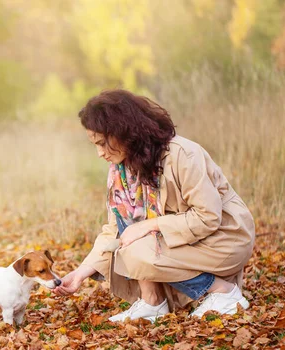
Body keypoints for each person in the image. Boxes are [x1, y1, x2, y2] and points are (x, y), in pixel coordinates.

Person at [52, 89, 255, 322]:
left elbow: (208, 216)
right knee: (128, 238)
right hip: (186, 238)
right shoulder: (121, 171)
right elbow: (115, 230)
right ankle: (152, 302)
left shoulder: (182, 155)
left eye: (102, 143)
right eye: (94, 145)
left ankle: (223, 292)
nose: (99, 153)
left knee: (135, 247)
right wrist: (80, 273)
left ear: (122, 131)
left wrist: (150, 225)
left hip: (223, 236)